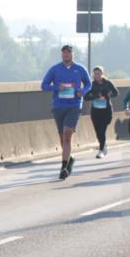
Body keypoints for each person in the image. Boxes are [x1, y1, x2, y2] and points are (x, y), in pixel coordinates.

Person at [41, 45, 91, 180]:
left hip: (74, 105)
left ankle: (63, 167)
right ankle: (70, 158)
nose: (66, 55)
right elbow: (44, 86)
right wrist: (57, 87)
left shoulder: (80, 69)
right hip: (58, 106)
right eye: (64, 53)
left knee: (67, 134)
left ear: (73, 54)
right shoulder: (55, 69)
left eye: (68, 53)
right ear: (61, 55)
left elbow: (88, 84)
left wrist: (83, 91)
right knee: (62, 137)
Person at [84, 66, 119, 158]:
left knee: (102, 129)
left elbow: (116, 93)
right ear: (93, 75)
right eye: (95, 74)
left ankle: (102, 148)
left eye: (99, 73)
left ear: (102, 74)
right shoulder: (91, 85)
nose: (97, 75)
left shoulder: (108, 83)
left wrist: (108, 95)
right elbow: (85, 97)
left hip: (106, 110)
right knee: (98, 130)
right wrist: (94, 96)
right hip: (95, 111)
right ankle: (102, 147)